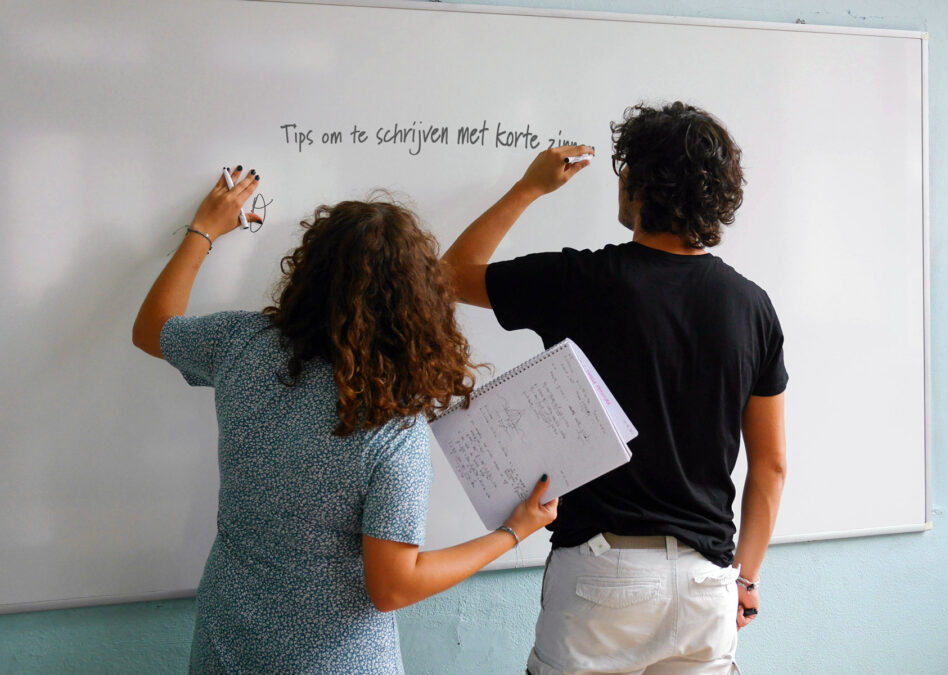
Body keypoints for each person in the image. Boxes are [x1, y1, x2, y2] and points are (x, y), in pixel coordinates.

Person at [132, 166, 558, 674]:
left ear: (307, 272)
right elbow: (393, 588)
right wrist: (511, 534)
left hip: (228, 645)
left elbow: (152, 328)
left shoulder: (241, 344)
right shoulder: (391, 430)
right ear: (416, 305)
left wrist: (204, 230)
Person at [442, 102, 788, 674]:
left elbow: (449, 274)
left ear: (640, 183)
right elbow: (771, 468)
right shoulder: (752, 306)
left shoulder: (578, 282)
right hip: (707, 583)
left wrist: (528, 189)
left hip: (603, 575)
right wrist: (744, 578)